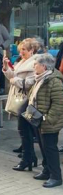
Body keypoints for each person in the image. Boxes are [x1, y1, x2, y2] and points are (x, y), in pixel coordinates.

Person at [24, 54, 63, 188]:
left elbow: (59, 104)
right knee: (43, 147)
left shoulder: (54, 81)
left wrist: (47, 118)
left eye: (36, 64)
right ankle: (46, 171)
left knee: (50, 149)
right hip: (38, 119)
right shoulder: (40, 78)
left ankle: (56, 176)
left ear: (44, 66)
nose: (34, 66)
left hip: (48, 122)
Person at [2, 39, 37, 170]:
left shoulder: (34, 63)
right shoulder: (21, 61)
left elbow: (29, 83)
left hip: (27, 100)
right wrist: (6, 67)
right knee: (24, 130)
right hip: (19, 97)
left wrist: (14, 80)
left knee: (25, 130)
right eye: (20, 49)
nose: (21, 52)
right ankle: (29, 157)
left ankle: (27, 158)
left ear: (31, 50)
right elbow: (12, 76)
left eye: (24, 50)